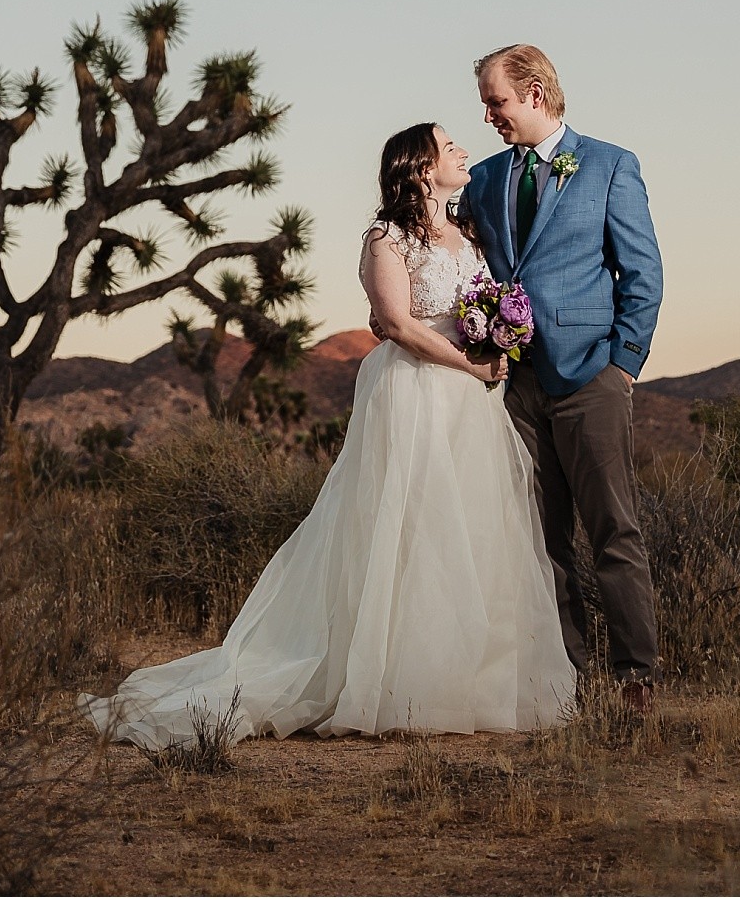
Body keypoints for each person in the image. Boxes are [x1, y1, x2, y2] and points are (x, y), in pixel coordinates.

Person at [84, 123, 576, 746]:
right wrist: (471, 363)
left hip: (472, 399)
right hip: (417, 391)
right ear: (421, 168)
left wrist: (495, 343)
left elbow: (477, 304)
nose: (461, 151)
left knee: (472, 527)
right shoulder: (385, 240)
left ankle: (470, 679)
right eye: (448, 145)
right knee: (408, 526)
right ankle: (395, 678)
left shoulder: (471, 232)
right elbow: (395, 323)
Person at [467, 43, 665, 708]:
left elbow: (642, 272)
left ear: (535, 93)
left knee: (613, 526)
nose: (489, 114)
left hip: (591, 377)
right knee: (538, 536)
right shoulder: (487, 180)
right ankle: (566, 676)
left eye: (496, 100)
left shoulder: (610, 165)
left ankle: (636, 674)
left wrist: (624, 366)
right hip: (516, 386)